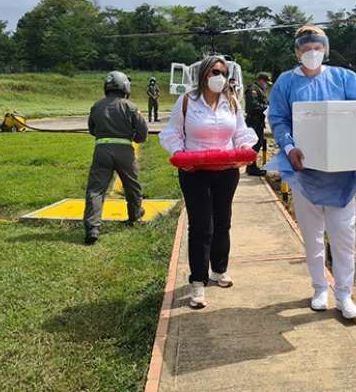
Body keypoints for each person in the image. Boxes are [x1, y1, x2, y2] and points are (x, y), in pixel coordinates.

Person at [267, 25, 356, 319]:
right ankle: (319, 288)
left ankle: (344, 294)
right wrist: (289, 147)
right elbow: (278, 119)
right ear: (296, 51)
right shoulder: (286, 82)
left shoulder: (343, 77)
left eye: (317, 46)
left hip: (342, 173)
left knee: (344, 237)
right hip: (304, 172)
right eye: (305, 47)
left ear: (325, 49)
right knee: (313, 236)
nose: (311, 52)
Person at [160, 56, 258, 309]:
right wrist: (180, 156)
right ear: (204, 74)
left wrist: (245, 148)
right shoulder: (186, 102)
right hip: (195, 172)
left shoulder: (231, 102)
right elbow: (173, 134)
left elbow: (240, 133)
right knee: (202, 226)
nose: (220, 77)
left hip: (226, 171)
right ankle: (198, 282)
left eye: (224, 73)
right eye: (215, 71)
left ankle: (219, 269)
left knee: (223, 221)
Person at [83, 71, 148, 245]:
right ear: (125, 86)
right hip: (124, 151)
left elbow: (92, 130)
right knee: (131, 185)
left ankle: (92, 227)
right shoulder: (131, 107)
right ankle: (134, 215)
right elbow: (142, 133)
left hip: (101, 150)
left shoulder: (96, 106)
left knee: (96, 190)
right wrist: (134, 137)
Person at [244, 72, 272, 176]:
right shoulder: (253, 90)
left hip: (258, 121)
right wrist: (266, 107)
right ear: (261, 80)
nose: (266, 85)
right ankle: (251, 167)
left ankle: (252, 166)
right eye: (265, 82)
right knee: (254, 144)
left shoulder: (260, 90)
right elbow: (253, 106)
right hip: (253, 121)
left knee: (258, 143)